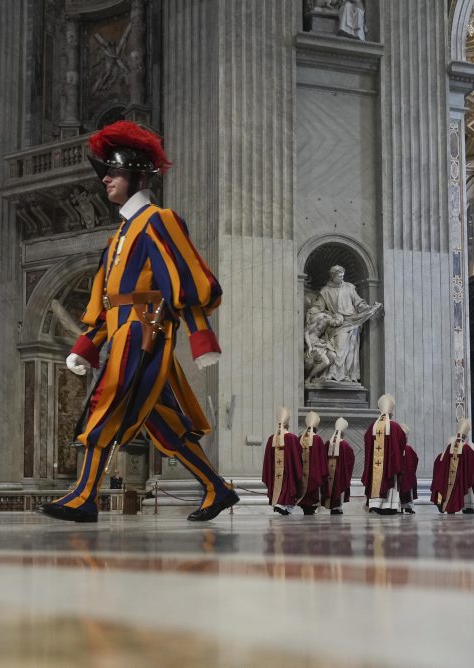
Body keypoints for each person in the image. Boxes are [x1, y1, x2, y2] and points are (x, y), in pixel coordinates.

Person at [39, 121, 238, 523]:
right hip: (124, 332)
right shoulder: (119, 237)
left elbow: (185, 278)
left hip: (144, 332)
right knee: (161, 420)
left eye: (113, 172)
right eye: (105, 173)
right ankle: (217, 488)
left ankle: (84, 496)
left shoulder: (158, 220)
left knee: (106, 401)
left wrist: (201, 338)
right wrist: (88, 344)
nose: (106, 180)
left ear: (136, 176)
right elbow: (104, 297)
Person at [362, 394, 406, 515]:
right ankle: (389, 506)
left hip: (375, 468)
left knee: (376, 476)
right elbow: (402, 444)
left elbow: (367, 445)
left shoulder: (372, 428)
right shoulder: (396, 427)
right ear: (391, 412)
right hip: (389, 467)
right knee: (389, 476)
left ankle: (374, 505)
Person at [430, 419, 474, 514]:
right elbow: (472, 462)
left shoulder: (450, 446)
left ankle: (448, 506)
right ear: (465, 436)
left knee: (451, 489)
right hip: (461, 476)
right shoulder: (466, 448)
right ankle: (468, 506)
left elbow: (443, 462)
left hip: (450, 476)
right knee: (464, 487)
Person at [262, 408, 303, 515]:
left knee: (279, 482)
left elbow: (268, 458)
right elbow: (297, 455)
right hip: (287, 471)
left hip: (275, 471)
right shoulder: (292, 438)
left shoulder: (271, 439)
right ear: (287, 425)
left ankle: (285, 507)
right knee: (288, 484)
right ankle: (282, 504)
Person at [295, 412, 328, 515]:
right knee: (311, 495)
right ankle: (310, 508)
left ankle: (305, 507)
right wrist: (323, 473)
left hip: (302, 475)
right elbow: (322, 458)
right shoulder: (317, 439)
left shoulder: (300, 438)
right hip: (314, 475)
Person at [322, 417, 354, 515]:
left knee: (330, 486)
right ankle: (337, 507)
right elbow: (350, 459)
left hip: (329, 472)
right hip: (340, 473)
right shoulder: (345, 444)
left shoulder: (328, 443)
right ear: (343, 433)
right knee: (338, 486)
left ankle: (332, 506)